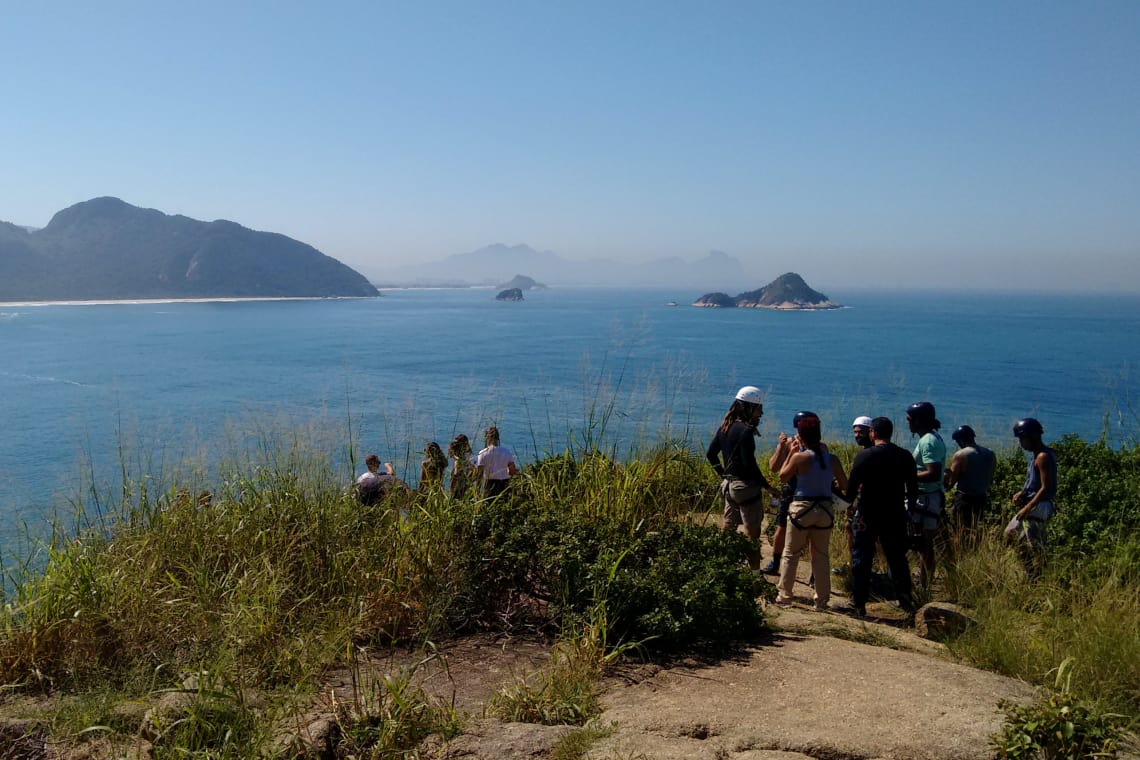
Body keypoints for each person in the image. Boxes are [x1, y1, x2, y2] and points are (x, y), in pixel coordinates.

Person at [843, 416, 916, 617]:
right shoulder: (905, 456)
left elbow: (851, 490)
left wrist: (845, 502)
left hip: (868, 513)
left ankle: (858, 603)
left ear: (872, 432)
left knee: (862, 558)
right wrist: (909, 513)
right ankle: (905, 602)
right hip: (895, 514)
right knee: (897, 559)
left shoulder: (865, 456)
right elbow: (912, 489)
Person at [774, 411, 848, 611]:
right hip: (824, 509)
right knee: (821, 555)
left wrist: (791, 452)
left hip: (802, 507)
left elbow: (782, 476)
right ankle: (822, 600)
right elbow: (844, 484)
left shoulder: (800, 457)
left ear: (801, 435)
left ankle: (785, 595)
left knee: (791, 553)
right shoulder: (831, 459)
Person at [706, 386, 780, 570]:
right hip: (745, 488)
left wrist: (725, 476)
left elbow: (711, 455)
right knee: (752, 533)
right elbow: (749, 465)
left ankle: (720, 565)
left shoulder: (725, 427)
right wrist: (767, 486)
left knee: (728, 527)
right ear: (747, 408)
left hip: (729, 486)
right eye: (758, 409)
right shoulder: (745, 431)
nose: (760, 413)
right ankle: (754, 573)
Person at [1005, 418, 1057, 578]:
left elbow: (1045, 487)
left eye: (1022, 439)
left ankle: (1037, 578)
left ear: (1032, 437)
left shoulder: (1042, 456)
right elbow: (1034, 483)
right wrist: (1022, 493)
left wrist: (1028, 507)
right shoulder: (1037, 455)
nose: (1021, 443)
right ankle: (1030, 573)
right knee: (1012, 535)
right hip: (1034, 503)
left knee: (1035, 546)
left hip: (1039, 506)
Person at [906, 401, 946, 589]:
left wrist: (906, 475)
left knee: (924, 544)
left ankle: (924, 585)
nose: (908, 423)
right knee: (922, 543)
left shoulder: (928, 441)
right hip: (928, 497)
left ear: (919, 420)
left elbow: (933, 472)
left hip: (926, 498)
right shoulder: (931, 438)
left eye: (909, 419)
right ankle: (923, 582)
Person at [944, 425, 996, 534]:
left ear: (960, 440)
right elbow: (990, 475)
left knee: (959, 529)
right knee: (976, 529)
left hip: (964, 499)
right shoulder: (990, 453)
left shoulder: (961, 455)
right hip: (981, 498)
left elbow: (951, 482)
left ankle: (960, 549)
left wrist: (945, 476)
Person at [476, 426, 517, 498]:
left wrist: (477, 490)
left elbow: (480, 474)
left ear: (487, 438)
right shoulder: (507, 452)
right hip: (504, 483)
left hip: (489, 484)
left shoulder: (482, 453)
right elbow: (512, 471)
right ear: (498, 438)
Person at [447, 434, 475, 498]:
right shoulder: (469, 455)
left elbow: (456, 474)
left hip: (458, 488)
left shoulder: (457, 461)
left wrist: (451, 488)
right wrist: (468, 481)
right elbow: (474, 469)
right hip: (466, 487)